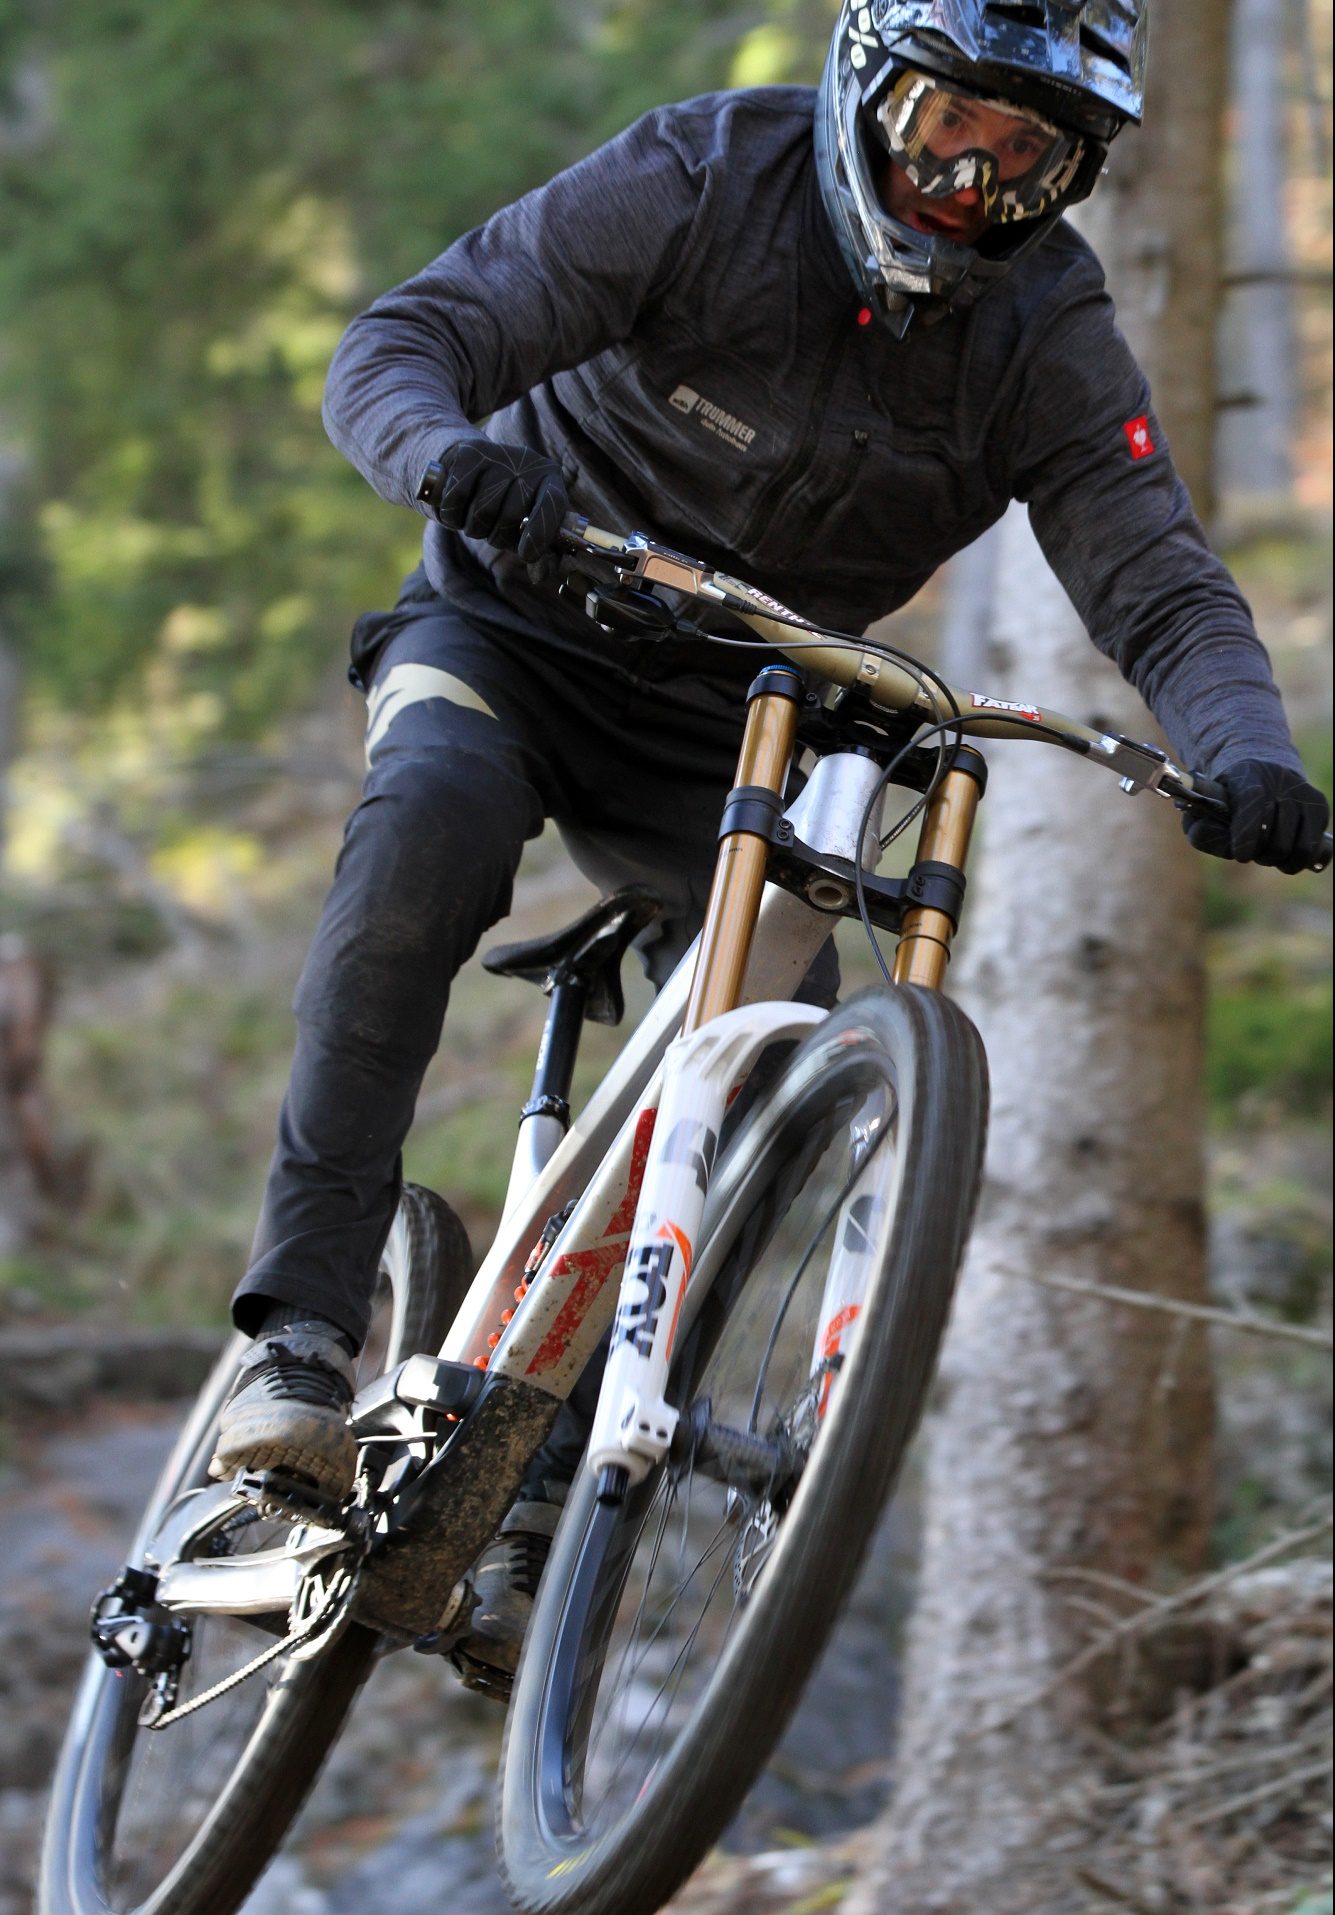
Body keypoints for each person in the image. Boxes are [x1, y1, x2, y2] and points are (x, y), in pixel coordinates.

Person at [208, 0, 1330, 1682]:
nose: (967, 184)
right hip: (517, 625)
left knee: (762, 1058)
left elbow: (1159, 580)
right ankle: (297, 1336)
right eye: (947, 126)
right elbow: (405, 341)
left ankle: (536, 1490)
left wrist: (1247, 750)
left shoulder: (1047, 329)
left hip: (748, 714)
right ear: (869, 84)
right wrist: (451, 461)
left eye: (1025, 159)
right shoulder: (699, 177)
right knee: (423, 837)